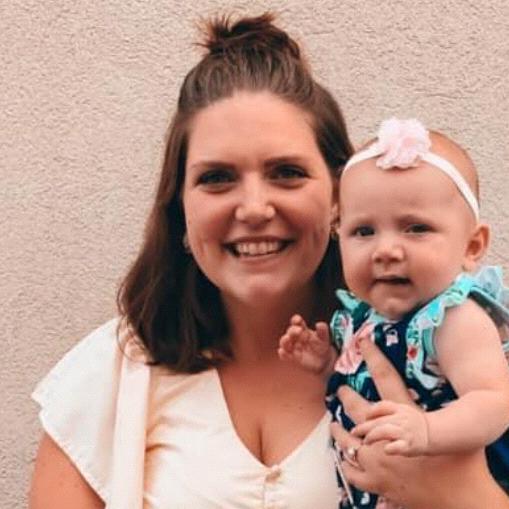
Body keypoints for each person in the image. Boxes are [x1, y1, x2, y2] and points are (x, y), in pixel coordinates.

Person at [29, 13, 509, 509]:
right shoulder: (109, 375)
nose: (255, 209)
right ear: (180, 210)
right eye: (217, 178)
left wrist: (461, 495)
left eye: (286, 172)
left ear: (339, 201)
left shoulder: (454, 351)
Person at [278, 118, 509, 508]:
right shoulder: (364, 319)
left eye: (416, 228)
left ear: (472, 246)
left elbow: (495, 402)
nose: (385, 250)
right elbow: (363, 380)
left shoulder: (453, 319)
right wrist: (328, 365)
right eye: (364, 231)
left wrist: (427, 429)